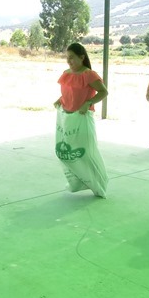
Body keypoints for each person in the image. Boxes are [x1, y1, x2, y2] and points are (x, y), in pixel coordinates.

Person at [53, 42, 109, 197]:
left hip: (82, 119)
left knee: (86, 153)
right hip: (67, 119)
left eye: (72, 58)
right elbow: (70, 92)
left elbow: (103, 92)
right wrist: (60, 99)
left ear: (82, 57)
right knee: (65, 152)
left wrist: (88, 103)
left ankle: (98, 183)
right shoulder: (66, 73)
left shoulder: (88, 74)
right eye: (67, 58)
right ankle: (77, 181)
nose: (69, 61)